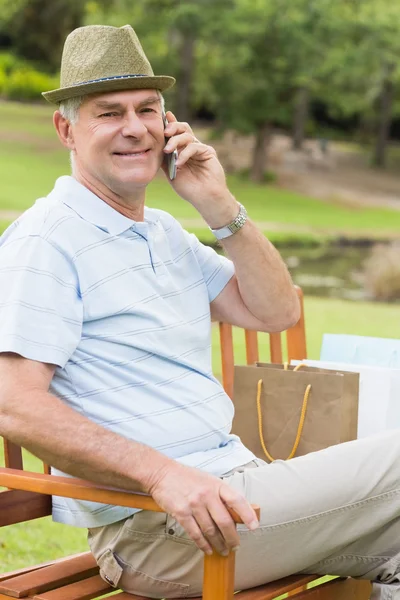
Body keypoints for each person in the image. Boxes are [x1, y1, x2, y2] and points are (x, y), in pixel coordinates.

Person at [0, 24, 400, 600]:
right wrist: (162, 474)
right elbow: (15, 406)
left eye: (148, 110)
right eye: (110, 113)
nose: (135, 128)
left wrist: (218, 202)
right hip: (162, 528)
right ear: (66, 128)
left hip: (241, 492)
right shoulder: (47, 239)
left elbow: (276, 311)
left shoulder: (163, 234)